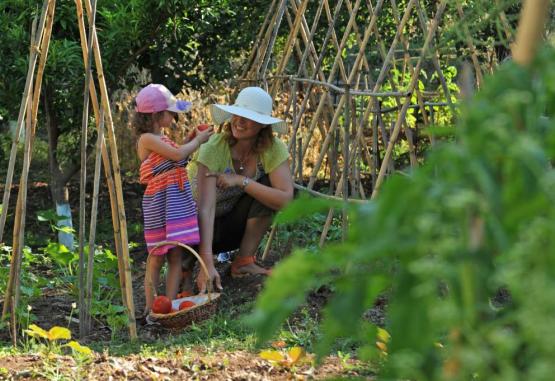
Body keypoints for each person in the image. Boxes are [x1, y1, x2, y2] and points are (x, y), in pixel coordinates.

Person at [188, 86, 294, 293]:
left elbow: (286, 199)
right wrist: (207, 264)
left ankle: (243, 261)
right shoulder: (213, 147)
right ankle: (187, 266)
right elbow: (205, 209)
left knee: (268, 185)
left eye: (248, 118)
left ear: (263, 125)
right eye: (237, 115)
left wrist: (241, 181)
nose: (239, 122)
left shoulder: (272, 149)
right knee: (183, 258)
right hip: (190, 228)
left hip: (229, 225)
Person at [134, 83, 214, 314]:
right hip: (159, 204)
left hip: (174, 203)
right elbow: (178, 155)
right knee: (157, 256)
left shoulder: (163, 138)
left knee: (176, 253)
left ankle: (169, 306)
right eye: (171, 112)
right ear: (158, 115)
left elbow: (176, 157)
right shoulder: (146, 139)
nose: (175, 116)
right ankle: (151, 308)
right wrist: (197, 141)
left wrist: (190, 139)